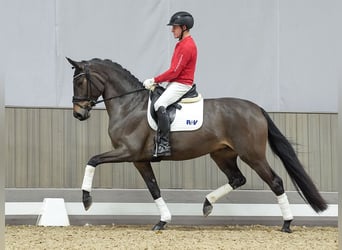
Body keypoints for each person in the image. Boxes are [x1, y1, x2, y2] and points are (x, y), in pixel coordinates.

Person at [143, 11, 198, 157]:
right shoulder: (181, 44)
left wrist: (154, 80)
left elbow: (174, 71)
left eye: (175, 27)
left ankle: (164, 144)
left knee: (159, 105)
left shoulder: (187, 46)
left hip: (181, 84)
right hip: (175, 83)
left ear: (184, 27)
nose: (172, 30)